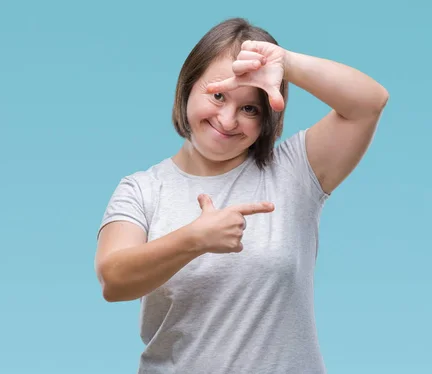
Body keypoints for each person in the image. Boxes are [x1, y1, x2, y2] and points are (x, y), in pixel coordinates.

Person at [94, 17, 388, 373]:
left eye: (250, 108)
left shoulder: (294, 170)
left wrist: (286, 64)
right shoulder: (142, 189)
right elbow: (114, 279)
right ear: (188, 86)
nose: (228, 119)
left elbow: (369, 102)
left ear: (267, 118)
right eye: (218, 95)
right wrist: (194, 239)